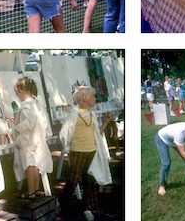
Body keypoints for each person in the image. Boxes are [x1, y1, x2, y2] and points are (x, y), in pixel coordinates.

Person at [59, 86, 113, 221]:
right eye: (93, 96)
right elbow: (64, 134)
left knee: (90, 179)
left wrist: (106, 121)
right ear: (84, 98)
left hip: (92, 151)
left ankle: (89, 208)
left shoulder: (92, 115)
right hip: (77, 151)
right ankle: (61, 203)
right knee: (74, 178)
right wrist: (69, 147)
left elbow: (97, 134)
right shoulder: (73, 115)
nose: (95, 98)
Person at [12, 77, 53, 199]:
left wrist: (17, 127)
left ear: (21, 91)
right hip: (37, 138)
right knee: (35, 164)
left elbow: (30, 122)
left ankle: (30, 192)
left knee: (29, 165)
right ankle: (36, 189)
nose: (17, 96)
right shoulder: (36, 103)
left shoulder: (25, 106)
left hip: (28, 140)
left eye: (16, 93)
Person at [155, 119, 185, 196]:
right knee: (166, 163)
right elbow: (183, 152)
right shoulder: (180, 132)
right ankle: (162, 185)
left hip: (175, 139)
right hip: (162, 139)